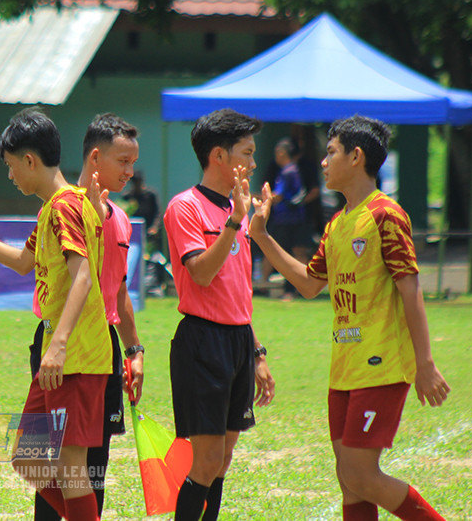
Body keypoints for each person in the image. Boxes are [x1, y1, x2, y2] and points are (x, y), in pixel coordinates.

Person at [250, 115, 450, 521]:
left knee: (361, 473)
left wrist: (425, 364)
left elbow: (410, 291)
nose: (323, 162)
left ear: (356, 156)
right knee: (349, 477)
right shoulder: (338, 224)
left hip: (380, 365)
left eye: (331, 152)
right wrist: (261, 236)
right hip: (344, 368)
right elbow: (309, 284)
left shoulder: (385, 215)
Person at [0, 107, 109, 521]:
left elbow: (83, 276)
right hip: (58, 355)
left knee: (70, 465)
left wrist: (60, 345)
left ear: (30, 160)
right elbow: (21, 261)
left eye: (12, 167)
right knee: (25, 456)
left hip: (75, 355)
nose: (11, 176)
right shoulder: (53, 208)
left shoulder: (66, 206)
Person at [31, 113, 145, 519]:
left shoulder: (119, 219)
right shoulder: (62, 208)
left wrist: (135, 349)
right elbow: (28, 263)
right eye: (123, 162)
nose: (130, 172)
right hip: (53, 340)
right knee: (36, 458)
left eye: (133, 163)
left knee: (88, 466)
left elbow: (116, 288)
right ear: (95, 158)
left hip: (96, 346)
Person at [163, 108, 275, 521]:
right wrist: (235, 222)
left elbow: (238, 294)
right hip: (202, 342)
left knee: (223, 460)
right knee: (207, 461)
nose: (253, 162)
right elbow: (202, 275)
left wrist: (257, 353)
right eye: (247, 152)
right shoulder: (185, 207)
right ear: (219, 157)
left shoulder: (237, 212)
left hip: (237, 341)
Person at [268, 138, 310, 298]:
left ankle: (289, 291)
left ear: (282, 153)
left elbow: (277, 196)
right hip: (295, 219)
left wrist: (256, 198)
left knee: (284, 255)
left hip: (287, 220)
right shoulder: (294, 169)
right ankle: (302, 288)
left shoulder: (287, 171)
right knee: (297, 253)